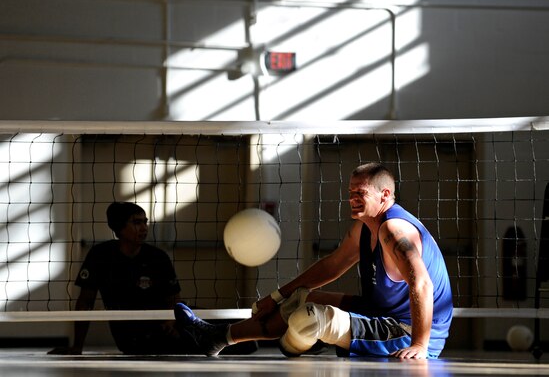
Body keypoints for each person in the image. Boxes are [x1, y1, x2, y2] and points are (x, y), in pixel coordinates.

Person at [174, 162, 454, 359]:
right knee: (301, 301)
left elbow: (422, 283)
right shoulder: (364, 227)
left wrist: (419, 343)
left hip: (406, 330)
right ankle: (216, 336)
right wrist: (278, 295)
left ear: (385, 195)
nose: (353, 199)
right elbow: (332, 265)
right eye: (350, 193)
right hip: (378, 310)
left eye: (361, 193)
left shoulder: (395, 230)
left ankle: (301, 343)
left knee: (309, 319)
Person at [49, 202, 199, 355]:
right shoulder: (100, 256)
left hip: (166, 328)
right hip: (132, 338)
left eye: (145, 222)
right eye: (136, 222)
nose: (144, 228)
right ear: (119, 228)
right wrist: (77, 347)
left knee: (207, 318)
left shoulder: (158, 257)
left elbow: (175, 300)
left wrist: (171, 321)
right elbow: (85, 302)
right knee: (205, 334)